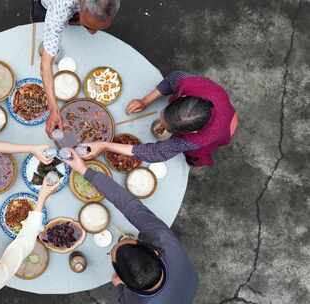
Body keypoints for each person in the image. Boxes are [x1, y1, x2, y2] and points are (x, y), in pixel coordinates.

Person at [63, 149, 198, 304]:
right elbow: (129, 204)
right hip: (189, 282)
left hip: (188, 281)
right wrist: (85, 171)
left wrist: (120, 287)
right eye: (129, 241)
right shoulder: (163, 238)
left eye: (111, 252)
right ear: (155, 251)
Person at [80, 71, 238, 166]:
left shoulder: (193, 140)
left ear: (191, 132)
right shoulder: (189, 83)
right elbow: (173, 78)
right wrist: (145, 101)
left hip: (224, 126)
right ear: (181, 97)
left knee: (198, 152)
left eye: (166, 126)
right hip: (219, 102)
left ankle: (194, 160)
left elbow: (155, 152)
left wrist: (104, 145)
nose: (160, 123)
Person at [38, 0, 121, 135]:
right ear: (81, 4)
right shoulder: (61, 7)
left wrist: (83, 21)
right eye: (88, 27)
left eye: (99, 28)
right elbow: (46, 64)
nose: (93, 34)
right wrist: (54, 109)